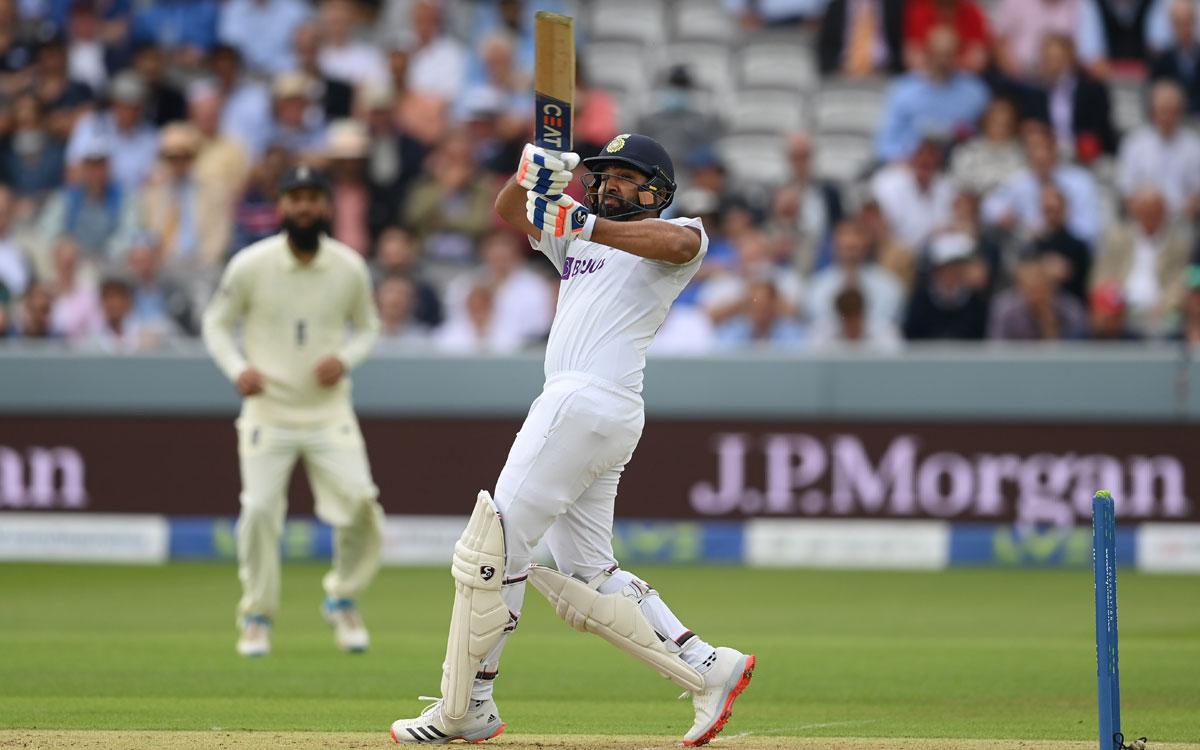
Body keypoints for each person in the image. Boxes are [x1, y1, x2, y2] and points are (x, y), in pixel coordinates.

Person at [389, 133, 754, 745]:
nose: (611, 183)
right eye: (604, 174)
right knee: (587, 571)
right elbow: (511, 212)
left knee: (494, 545)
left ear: (657, 190)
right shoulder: (578, 238)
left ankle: (467, 707)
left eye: (627, 177)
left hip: (583, 401)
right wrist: (531, 173)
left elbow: (681, 242)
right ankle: (707, 665)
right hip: (596, 410)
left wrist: (581, 221)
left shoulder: (675, 235)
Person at [201, 166, 384, 658]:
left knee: (361, 505)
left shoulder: (348, 266)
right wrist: (238, 368)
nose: (303, 207)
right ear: (282, 207)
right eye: (294, 199)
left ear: (325, 206)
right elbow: (216, 325)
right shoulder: (250, 264)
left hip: (328, 413)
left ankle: (342, 598)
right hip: (267, 411)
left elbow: (368, 328)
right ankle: (257, 615)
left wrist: (344, 359)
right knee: (259, 511)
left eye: (311, 198)